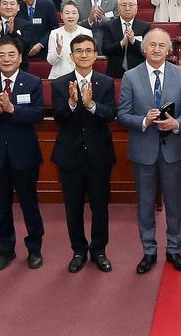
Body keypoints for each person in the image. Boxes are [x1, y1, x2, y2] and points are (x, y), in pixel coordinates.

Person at [117, 28, 181, 274]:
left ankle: (174, 249)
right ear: (144, 48)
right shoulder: (131, 76)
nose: (157, 49)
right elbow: (122, 115)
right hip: (143, 150)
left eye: (162, 45)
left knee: (174, 203)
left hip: (173, 149)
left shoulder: (180, 74)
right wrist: (143, 121)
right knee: (145, 203)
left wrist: (176, 124)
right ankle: (148, 251)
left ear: (169, 50)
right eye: (153, 45)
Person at [0, 37, 46, 271]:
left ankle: (34, 248)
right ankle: (6, 249)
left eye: (11, 54)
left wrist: (14, 110)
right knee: (1, 205)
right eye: (1, 55)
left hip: (25, 154)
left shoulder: (33, 82)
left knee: (29, 203)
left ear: (20, 57)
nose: (6, 59)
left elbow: (38, 115)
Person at [51, 34, 116, 273]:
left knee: (100, 207)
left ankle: (99, 250)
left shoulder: (106, 82)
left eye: (88, 50)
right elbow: (58, 117)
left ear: (95, 54)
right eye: (79, 51)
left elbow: (110, 114)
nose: (84, 55)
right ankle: (78, 250)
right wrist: (71, 103)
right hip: (70, 156)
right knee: (73, 207)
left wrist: (91, 106)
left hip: (99, 155)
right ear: (71, 55)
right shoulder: (60, 83)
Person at [98, 0, 149, 78]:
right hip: (115, 72)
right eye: (124, 5)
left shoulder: (144, 27)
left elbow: (146, 51)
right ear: (118, 7)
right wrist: (121, 43)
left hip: (138, 72)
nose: (127, 8)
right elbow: (105, 50)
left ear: (136, 8)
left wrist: (133, 41)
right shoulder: (109, 26)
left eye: (131, 5)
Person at [46, 0, 91, 80]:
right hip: (58, 77)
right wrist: (58, 50)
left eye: (74, 13)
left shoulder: (87, 33)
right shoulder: (54, 34)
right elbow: (50, 61)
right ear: (61, 16)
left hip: (80, 77)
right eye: (67, 13)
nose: (70, 16)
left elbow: (89, 58)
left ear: (78, 15)